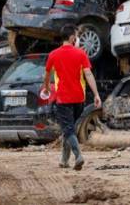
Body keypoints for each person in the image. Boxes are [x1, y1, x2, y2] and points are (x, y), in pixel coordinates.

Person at [43, 24, 101, 171]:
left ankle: (78, 155)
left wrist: (46, 87)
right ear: (71, 37)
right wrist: (96, 94)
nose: (77, 39)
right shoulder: (81, 54)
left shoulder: (53, 55)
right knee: (69, 129)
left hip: (63, 99)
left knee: (68, 130)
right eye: (76, 36)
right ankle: (64, 160)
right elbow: (88, 74)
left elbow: (47, 74)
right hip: (79, 99)